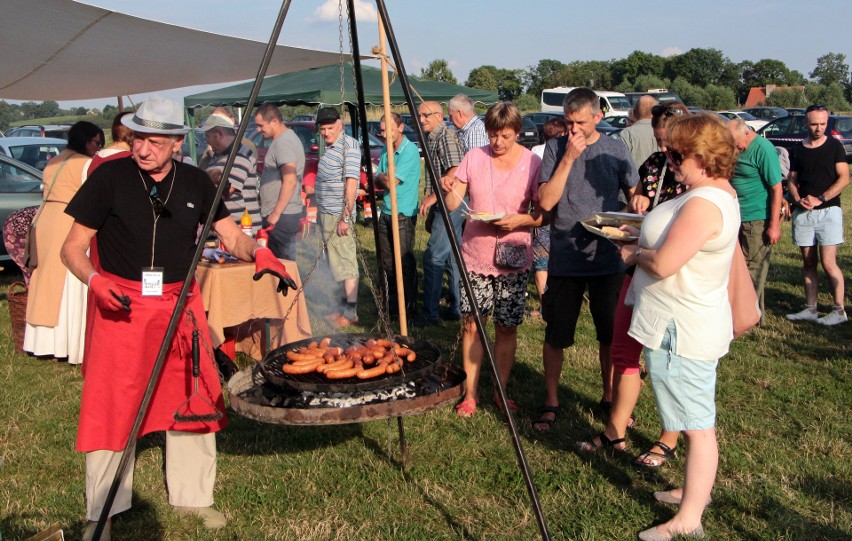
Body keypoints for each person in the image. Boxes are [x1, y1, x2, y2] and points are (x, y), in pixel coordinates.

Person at [60, 96, 296, 540]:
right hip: (122, 305)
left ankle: (194, 497)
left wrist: (260, 252)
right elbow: (71, 249)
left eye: (152, 140)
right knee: (113, 406)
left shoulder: (195, 181)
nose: (142, 148)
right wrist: (95, 282)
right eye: (136, 138)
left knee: (195, 394)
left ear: (174, 143)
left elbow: (229, 236)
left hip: (177, 304)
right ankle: (102, 511)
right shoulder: (107, 177)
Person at [618, 114, 740, 541]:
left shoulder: (706, 202)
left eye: (678, 154)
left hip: (681, 330)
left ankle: (689, 520)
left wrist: (634, 254)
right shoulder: (707, 194)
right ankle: (693, 492)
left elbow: (667, 262)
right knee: (694, 417)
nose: (671, 161)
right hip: (682, 324)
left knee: (696, 425)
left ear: (703, 157)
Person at [576, 104, 689, 468]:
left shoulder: (696, 175)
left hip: (672, 279)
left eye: (670, 143)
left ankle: (669, 437)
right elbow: (641, 199)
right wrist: (635, 201)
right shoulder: (655, 164)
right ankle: (615, 429)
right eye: (659, 141)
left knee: (665, 361)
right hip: (635, 268)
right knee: (624, 351)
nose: (665, 150)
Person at [533, 87, 638, 431]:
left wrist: (629, 213)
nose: (573, 130)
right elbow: (546, 202)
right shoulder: (555, 147)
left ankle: (609, 397)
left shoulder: (614, 148)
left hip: (606, 256)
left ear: (598, 117)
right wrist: (567, 158)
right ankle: (551, 400)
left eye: (579, 122)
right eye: (568, 122)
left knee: (609, 334)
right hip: (564, 257)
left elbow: (634, 193)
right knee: (557, 332)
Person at [442, 102, 542, 417]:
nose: (497, 142)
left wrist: (519, 221)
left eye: (505, 136)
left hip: (514, 255)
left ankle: (500, 389)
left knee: (506, 327)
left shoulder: (531, 163)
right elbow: (454, 199)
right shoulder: (474, 157)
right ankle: (470, 394)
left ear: (517, 132)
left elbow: (541, 214)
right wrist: (449, 186)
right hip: (476, 253)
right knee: (472, 325)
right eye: (493, 135)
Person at [23, 121, 105, 364]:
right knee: (68, 283)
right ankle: (67, 343)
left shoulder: (55, 160)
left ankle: (42, 341)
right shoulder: (85, 164)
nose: (97, 148)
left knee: (46, 281)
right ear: (85, 141)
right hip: (67, 221)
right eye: (95, 143)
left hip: (46, 220)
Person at [785, 104, 849, 326]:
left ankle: (838, 310)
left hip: (829, 211)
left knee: (828, 262)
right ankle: (811, 309)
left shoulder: (834, 146)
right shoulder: (798, 150)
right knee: (808, 261)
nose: (819, 128)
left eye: (823, 123)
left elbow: (844, 178)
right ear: (806, 123)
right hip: (804, 213)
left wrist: (820, 198)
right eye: (814, 124)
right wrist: (796, 198)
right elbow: (792, 180)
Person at [415, 101, 466, 327]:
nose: (422, 119)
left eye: (426, 115)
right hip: (445, 204)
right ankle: (456, 307)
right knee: (451, 256)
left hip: (452, 203)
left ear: (439, 115)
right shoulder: (432, 137)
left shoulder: (445, 136)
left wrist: (433, 198)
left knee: (434, 256)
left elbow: (455, 173)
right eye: (419, 115)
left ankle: (430, 313)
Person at [727, 117, 783, 318]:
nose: (734, 148)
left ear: (747, 133)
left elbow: (776, 188)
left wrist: (773, 225)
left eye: (736, 143)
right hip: (735, 216)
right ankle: (753, 313)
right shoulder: (736, 146)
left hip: (756, 218)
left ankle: (744, 315)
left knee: (752, 267)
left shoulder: (763, 149)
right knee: (737, 266)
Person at [314, 106, 361, 327]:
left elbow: (351, 182)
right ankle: (343, 307)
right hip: (327, 214)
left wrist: (345, 216)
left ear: (340, 125)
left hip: (338, 215)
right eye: (322, 129)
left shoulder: (348, 147)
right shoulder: (331, 147)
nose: (326, 133)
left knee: (347, 262)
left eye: (330, 128)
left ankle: (351, 313)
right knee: (337, 263)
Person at [374, 113, 421, 317]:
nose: (384, 134)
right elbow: (378, 179)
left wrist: (384, 178)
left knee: (404, 262)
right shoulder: (386, 148)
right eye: (382, 130)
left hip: (402, 212)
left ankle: (408, 306)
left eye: (388, 130)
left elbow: (391, 182)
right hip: (385, 210)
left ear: (400, 128)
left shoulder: (409, 150)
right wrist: (383, 178)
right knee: (387, 263)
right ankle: (391, 305)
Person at [254, 102, 305, 261]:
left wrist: (275, 214)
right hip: (281, 215)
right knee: (281, 265)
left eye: (261, 125)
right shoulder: (282, 140)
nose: (258, 129)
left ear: (274, 122)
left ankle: (292, 287)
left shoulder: (283, 142)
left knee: (283, 266)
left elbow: (289, 180)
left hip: (282, 216)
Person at [199, 111, 262, 234]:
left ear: (219, 134)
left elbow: (226, 193)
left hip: (243, 231)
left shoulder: (241, 154)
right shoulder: (217, 156)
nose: (207, 142)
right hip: (227, 230)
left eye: (208, 136)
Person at [529, 117, 567, 318]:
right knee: (553, 258)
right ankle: (554, 304)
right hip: (561, 211)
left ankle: (545, 304)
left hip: (543, 209)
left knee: (542, 260)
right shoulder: (563, 151)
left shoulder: (535, 152)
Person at [618, 95, 660, 170]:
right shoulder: (664, 132)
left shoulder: (627, 134)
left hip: (634, 180)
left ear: (635, 112)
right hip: (661, 180)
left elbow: (617, 162)